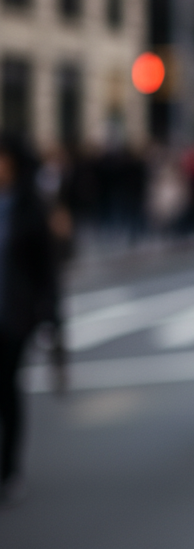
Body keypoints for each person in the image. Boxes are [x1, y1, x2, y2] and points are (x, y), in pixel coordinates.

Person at [0, 136, 64, 503]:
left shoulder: (30, 208)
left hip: (13, 316)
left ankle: (8, 468)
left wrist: (52, 319)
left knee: (6, 389)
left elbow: (48, 272)